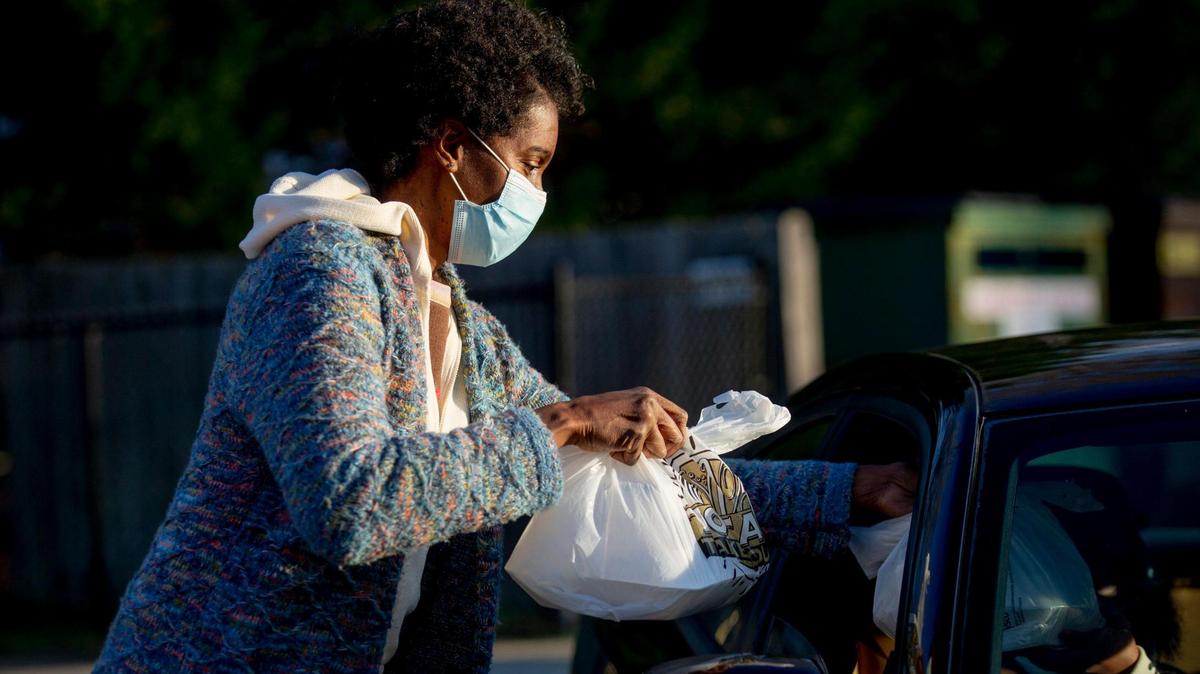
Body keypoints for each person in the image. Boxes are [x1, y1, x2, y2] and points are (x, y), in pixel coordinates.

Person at [93, 2, 916, 672]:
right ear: (452, 149)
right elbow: (347, 502)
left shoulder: (458, 320)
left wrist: (849, 492)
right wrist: (562, 422)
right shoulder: (319, 271)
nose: (540, 190)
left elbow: (619, 468)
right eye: (531, 162)